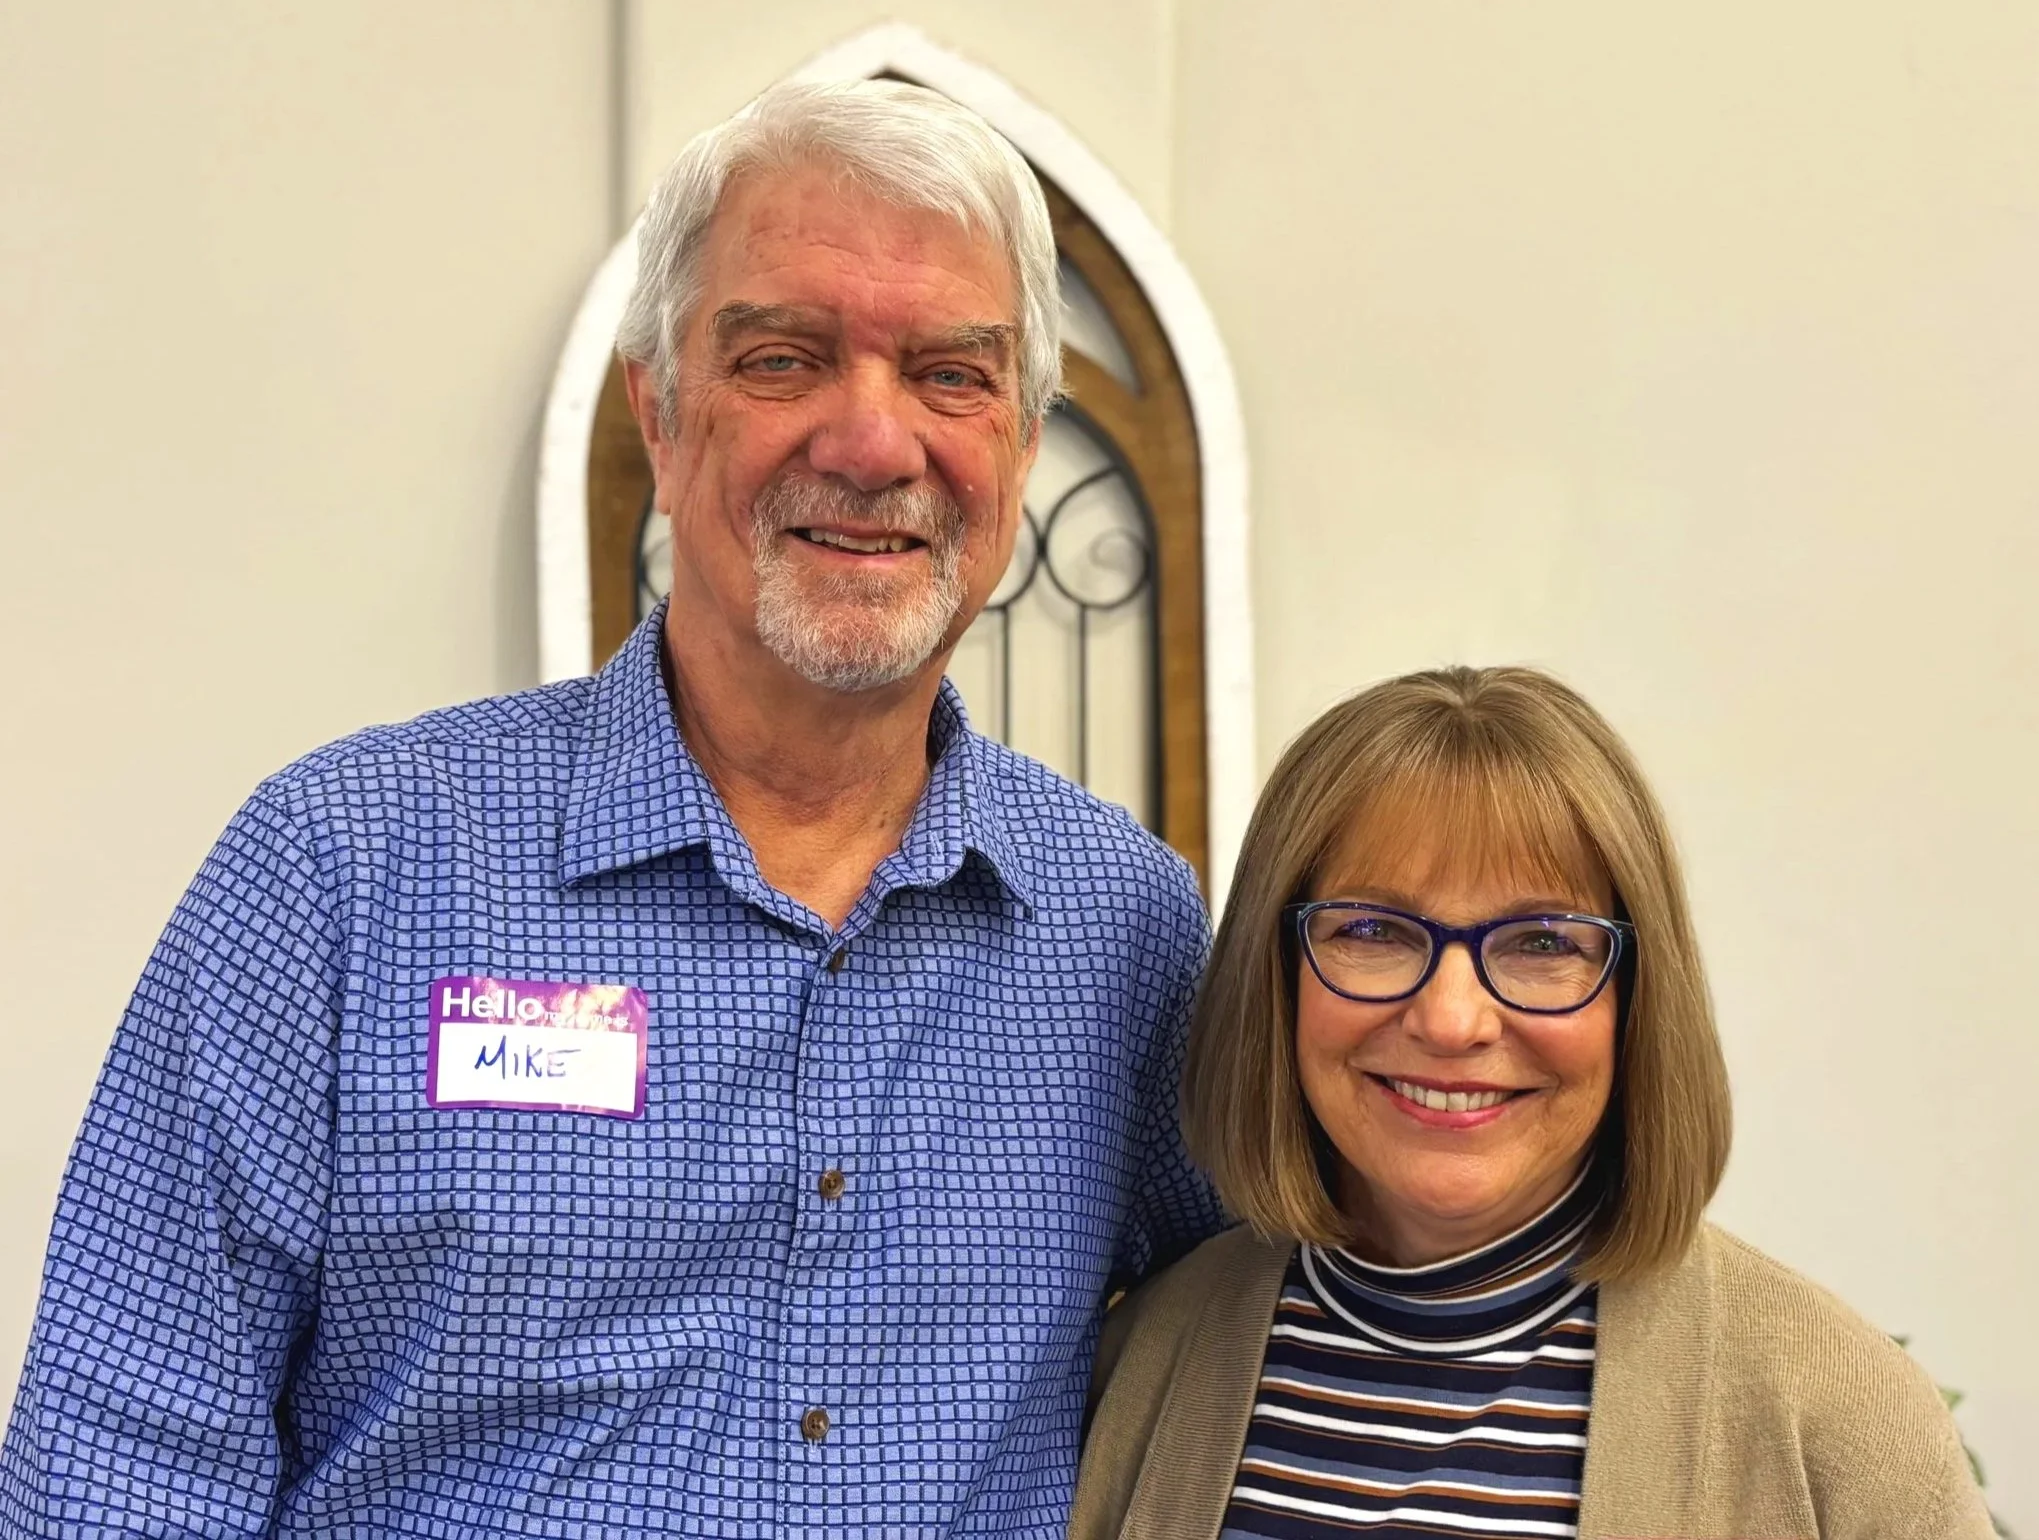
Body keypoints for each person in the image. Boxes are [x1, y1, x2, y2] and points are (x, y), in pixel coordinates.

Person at [0, 79, 1220, 1537]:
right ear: (659, 409)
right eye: (783, 358)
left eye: (952, 375)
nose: (870, 442)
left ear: (1020, 445)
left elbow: (1292, 1317)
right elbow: (123, 1465)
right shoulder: (341, 870)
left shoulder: (1126, 929)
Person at [1071, 668, 1992, 1540]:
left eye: (1543, 941)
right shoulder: (1144, 1357)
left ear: (1636, 996)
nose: (1452, 1018)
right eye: (1372, 930)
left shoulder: (1842, 1423)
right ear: (1275, 976)